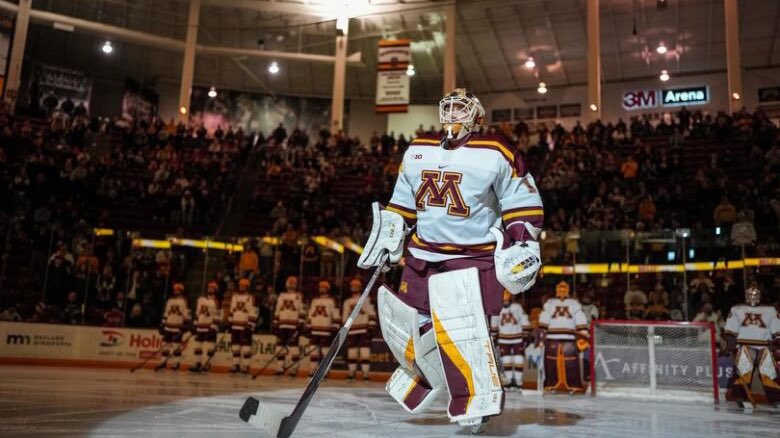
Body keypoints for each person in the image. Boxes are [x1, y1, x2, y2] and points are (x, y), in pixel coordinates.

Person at [358, 88, 543, 432]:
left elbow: (522, 201)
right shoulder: (417, 149)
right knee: (406, 325)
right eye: (450, 106)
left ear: (476, 115)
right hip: (422, 254)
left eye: (462, 107)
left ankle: (474, 397)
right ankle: (426, 378)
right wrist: (390, 234)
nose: (454, 113)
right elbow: (401, 204)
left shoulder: (496, 150)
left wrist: (522, 243)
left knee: (461, 329)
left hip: (470, 257)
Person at [723, 286, 780, 406]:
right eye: (750, 295)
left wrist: (776, 345)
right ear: (746, 296)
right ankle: (740, 397)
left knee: (769, 373)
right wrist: (730, 346)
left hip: (764, 347)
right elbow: (730, 332)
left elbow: (777, 332)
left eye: (755, 295)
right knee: (743, 373)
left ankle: (776, 399)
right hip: (744, 346)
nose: (753, 297)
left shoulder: (771, 310)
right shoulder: (736, 309)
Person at [538, 281, 589, 393]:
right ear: (556, 290)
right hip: (552, 337)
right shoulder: (550, 303)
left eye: (564, 289)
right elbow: (544, 320)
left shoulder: (574, 304)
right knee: (551, 362)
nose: (562, 291)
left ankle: (573, 385)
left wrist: (583, 335)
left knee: (570, 362)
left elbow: (580, 319)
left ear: (568, 291)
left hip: (569, 338)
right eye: (560, 289)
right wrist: (541, 338)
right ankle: (552, 384)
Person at [490, 291, 531, 392]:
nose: (505, 295)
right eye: (503, 293)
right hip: (503, 339)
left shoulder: (517, 307)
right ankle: (508, 382)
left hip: (518, 338)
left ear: (511, 295)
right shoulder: (497, 308)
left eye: (507, 293)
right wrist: (493, 338)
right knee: (506, 361)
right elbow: (494, 324)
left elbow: (524, 320)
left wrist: (526, 336)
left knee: (519, 360)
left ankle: (518, 382)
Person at [342, 278, 376, 381]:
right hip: (352, 330)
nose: (354, 287)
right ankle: (351, 373)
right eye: (353, 286)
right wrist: (344, 329)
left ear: (360, 287)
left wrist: (371, 326)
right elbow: (345, 317)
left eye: (356, 286)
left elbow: (372, 313)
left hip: (364, 329)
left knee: (364, 352)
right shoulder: (347, 302)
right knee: (352, 352)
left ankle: (366, 374)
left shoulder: (367, 299)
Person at [305, 280, 340, 377]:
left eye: (324, 287)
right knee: (313, 352)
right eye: (320, 287)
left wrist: (335, 327)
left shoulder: (332, 300)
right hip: (314, 329)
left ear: (327, 289)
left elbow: (335, 314)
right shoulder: (314, 300)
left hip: (326, 329)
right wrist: (308, 326)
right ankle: (312, 370)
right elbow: (310, 314)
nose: (322, 288)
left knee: (325, 351)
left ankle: (325, 372)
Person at [272, 276, 304, 377]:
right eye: (290, 283)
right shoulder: (281, 295)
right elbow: (277, 309)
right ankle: (280, 367)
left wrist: (301, 323)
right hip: (282, 324)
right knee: (280, 347)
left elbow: (301, 310)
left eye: (293, 283)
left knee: (294, 347)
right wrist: (275, 322)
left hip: (293, 325)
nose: (291, 285)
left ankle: (294, 368)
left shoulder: (298, 296)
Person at [156, 283, 191, 371]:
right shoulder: (170, 300)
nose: (175, 291)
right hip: (168, 326)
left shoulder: (184, 301)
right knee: (165, 345)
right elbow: (166, 313)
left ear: (181, 291)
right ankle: (163, 362)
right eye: (175, 289)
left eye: (177, 290)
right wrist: (163, 324)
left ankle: (176, 363)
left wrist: (186, 325)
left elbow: (187, 314)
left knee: (176, 346)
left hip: (177, 327)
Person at [189, 281, 221, 373]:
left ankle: (208, 364)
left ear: (215, 290)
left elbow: (217, 315)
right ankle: (197, 363)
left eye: (212, 288)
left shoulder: (217, 301)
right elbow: (197, 312)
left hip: (210, 326)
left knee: (210, 346)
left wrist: (214, 326)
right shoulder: (201, 299)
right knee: (198, 345)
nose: (210, 289)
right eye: (209, 287)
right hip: (200, 326)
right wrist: (195, 324)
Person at [228, 278, 257, 374]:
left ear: (247, 287)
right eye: (240, 285)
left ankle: (246, 365)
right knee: (235, 346)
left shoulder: (250, 297)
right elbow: (231, 311)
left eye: (244, 286)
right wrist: (229, 321)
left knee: (246, 347)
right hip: (235, 325)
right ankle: (235, 365)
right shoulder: (234, 297)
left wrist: (250, 325)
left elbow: (254, 312)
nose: (242, 287)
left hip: (245, 326)